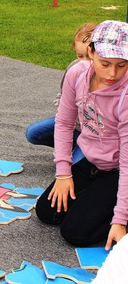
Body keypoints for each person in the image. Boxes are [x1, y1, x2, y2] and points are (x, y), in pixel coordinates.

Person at [35, 20, 128, 249]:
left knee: (75, 233)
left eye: (122, 65)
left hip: (119, 169)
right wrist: (63, 174)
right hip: (92, 160)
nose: (112, 74)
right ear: (91, 51)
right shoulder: (76, 73)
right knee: (47, 212)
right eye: (104, 63)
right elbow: (64, 123)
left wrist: (120, 220)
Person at [25, 23, 97, 148]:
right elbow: (63, 96)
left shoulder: (106, 76)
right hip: (72, 124)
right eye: (80, 56)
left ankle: (85, 154)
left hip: (94, 133)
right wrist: (64, 118)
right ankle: (73, 147)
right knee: (33, 133)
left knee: (79, 166)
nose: (84, 62)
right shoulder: (74, 68)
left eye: (90, 57)